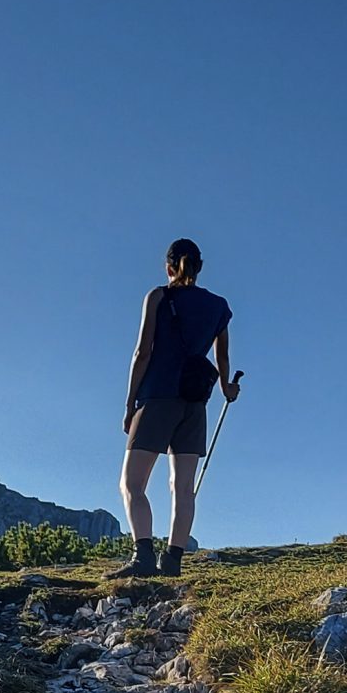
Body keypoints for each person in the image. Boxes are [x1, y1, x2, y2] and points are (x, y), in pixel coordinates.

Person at [108, 238, 239, 578]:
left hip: (158, 396)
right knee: (182, 486)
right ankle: (173, 562)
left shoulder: (158, 297)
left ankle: (143, 557)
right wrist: (226, 386)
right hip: (196, 401)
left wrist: (129, 402)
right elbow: (221, 355)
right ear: (199, 266)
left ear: (169, 267)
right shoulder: (219, 306)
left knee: (132, 483)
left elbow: (143, 352)